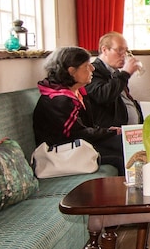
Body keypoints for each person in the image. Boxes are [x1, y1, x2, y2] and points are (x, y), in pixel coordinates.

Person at [33, 46, 126, 174]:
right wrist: (108, 132)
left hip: (80, 144)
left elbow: (85, 127)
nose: (92, 68)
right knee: (120, 156)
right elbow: (78, 134)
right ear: (71, 71)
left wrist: (108, 131)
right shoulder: (58, 100)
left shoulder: (78, 92)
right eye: (87, 66)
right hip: (63, 153)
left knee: (126, 143)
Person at [85, 32, 144, 133]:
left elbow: (125, 101)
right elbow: (104, 96)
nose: (124, 55)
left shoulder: (116, 73)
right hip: (111, 134)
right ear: (104, 50)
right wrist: (125, 73)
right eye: (120, 50)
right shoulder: (92, 71)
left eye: (125, 51)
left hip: (131, 132)